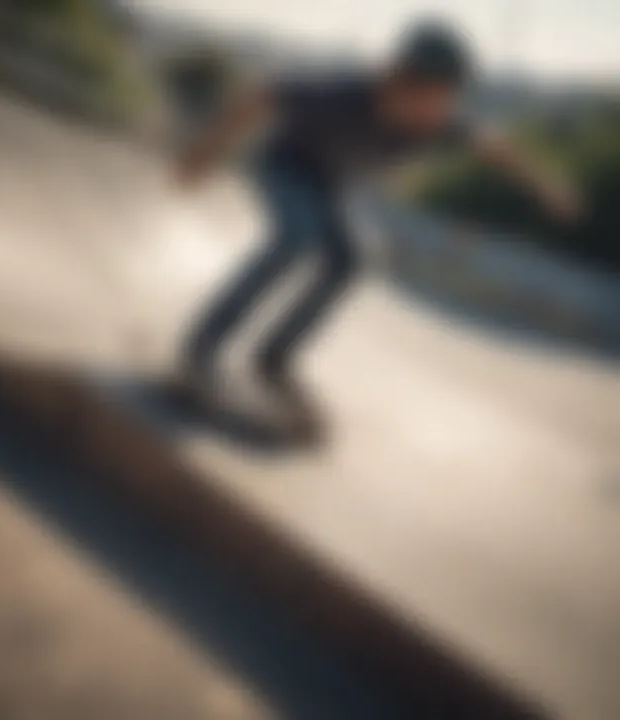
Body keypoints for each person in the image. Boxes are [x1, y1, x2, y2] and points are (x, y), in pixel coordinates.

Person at [173, 20, 581, 444]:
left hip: (329, 185)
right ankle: (203, 347)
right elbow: (264, 95)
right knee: (296, 240)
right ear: (397, 81)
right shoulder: (343, 96)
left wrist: (545, 185)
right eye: (427, 100)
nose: (432, 115)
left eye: (444, 101)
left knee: (353, 260)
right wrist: (204, 151)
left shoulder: (443, 124)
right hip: (285, 168)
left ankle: (274, 357)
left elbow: (496, 147)